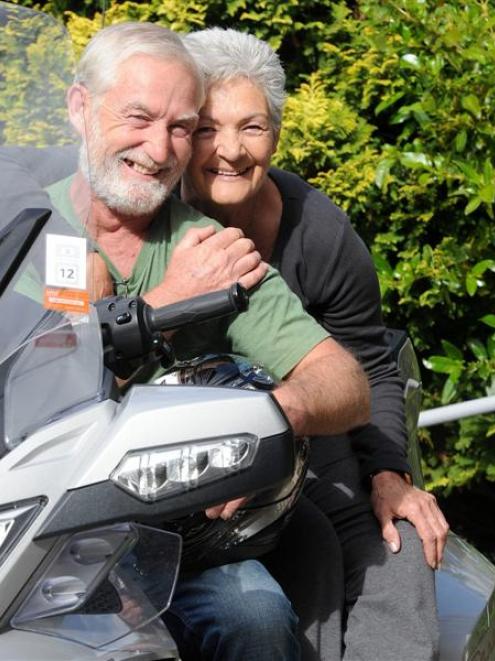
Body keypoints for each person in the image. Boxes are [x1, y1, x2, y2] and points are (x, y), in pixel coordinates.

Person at [4, 22, 370, 661]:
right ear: (79, 107)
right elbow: (32, 391)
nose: (159, 147)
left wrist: (269, 417)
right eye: (139, 117)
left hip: (165, 536)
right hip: (25, 521)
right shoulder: (21, 221)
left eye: (180, 126)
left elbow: (345, 381)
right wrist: (165, 304)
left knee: (253, 613)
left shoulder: (211, 250)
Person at [178, 27, 450, 661]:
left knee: (401, 548)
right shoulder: (152, 220)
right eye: (208, 129)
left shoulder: (320, 230)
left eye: (253, 127)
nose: (231, 151)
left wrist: (390, 474)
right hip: (193, 455)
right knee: (297, 564)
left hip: (307, 431)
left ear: (276, 133)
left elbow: (373, 364)